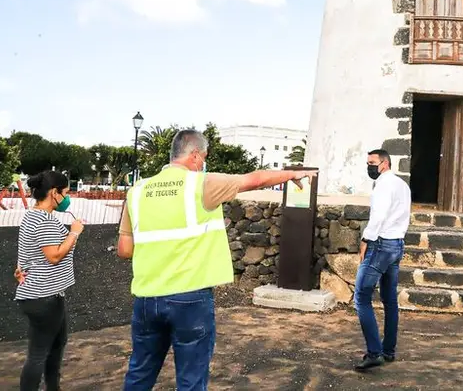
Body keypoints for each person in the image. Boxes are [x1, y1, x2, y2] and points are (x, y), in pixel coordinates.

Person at [117, 129, 316, 390]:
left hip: (146, 299)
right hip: (189, 299)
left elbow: (124, 249)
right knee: (191, 379)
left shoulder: (137, 191)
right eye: (205, 157)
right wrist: (292, 174)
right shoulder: (201, 185)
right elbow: (253, 179)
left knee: (140, 374)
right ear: (196, 156)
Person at [14, 170, 84, 391]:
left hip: (47, 293)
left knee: (57, 344)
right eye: (65, 192)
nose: (67, 198)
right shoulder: (44, 220)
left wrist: (21, 268)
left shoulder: (32, 215)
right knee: (38, 354)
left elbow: (28, 250)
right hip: (44, 296)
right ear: (54, 193)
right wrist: (74, 233)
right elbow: (53, 256)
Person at [353, 148, 411, 371]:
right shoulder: (402, 185)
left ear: (384, 164)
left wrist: (366, 239)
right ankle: (388, 351)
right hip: (397, 243)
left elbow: (378, 214)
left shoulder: (383, 185)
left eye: (372, 162)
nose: (369, 166)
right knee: (389, 300)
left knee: (361, 297)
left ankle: (374, 352)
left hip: (380, 244)